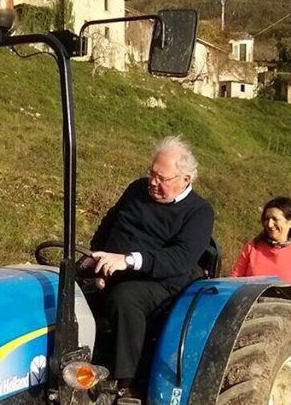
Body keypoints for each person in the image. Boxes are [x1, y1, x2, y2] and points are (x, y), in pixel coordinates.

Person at [88, 136, 214, 392]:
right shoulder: (137, 190)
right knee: (64, 287)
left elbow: (179, 259)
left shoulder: (199, 213)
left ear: (185, 179)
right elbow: (110, 224)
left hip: (163, 284)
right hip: (115, 268)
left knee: (125, 298)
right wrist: (96, 258)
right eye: (151, 174)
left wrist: (128, 261)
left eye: (161, 178)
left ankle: (125, 384)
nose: (153, 183)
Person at [230, 196, 291, 303]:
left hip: (288, 314)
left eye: (275, 219)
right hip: (251, 309)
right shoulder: (253, 246)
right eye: (267, 219)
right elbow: (234, 280)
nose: (269, 224)